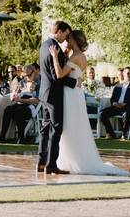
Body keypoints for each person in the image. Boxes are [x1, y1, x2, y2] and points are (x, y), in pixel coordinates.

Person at [49, 29, 128, 176]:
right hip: (76, 93)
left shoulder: (75, 57)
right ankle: (69, 158)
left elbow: (59, 74)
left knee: (70, 125)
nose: (67, 41)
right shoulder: (80, 56)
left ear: (75, 41)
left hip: (71, 94)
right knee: (74, 125)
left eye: (69, 39)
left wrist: (54, 57)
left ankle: (72, 160)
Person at [38, 20, 77, 175]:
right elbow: (57, 76)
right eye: (66, 34)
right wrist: (74, 82)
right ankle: (51, 164)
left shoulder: (44, 45)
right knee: (56, 128)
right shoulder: (55, 49)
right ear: (59, 31)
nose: (66, 38)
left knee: (45, 129)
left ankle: (41, 162)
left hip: (44, 93)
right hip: (54, 95)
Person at [99, 67, 130, 139]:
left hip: (127, 107)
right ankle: (111, 133)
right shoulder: (117, 86)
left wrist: (125, 104)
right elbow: (112, 98)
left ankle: (124, 133)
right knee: (102, 114)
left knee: (126, 114)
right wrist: (114, 103)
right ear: (123, 74)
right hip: (117, 107)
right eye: (128, 73)